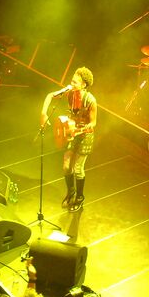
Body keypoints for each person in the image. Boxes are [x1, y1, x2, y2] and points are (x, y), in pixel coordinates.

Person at [40, 67, 97, 212]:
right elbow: (49, 96)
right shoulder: (69, 93)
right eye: (72, 80)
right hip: (71, 133)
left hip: (84, 135)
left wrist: (82, 129)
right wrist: (43, 113)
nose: (71, 84)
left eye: (75, 82)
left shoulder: (90, 100)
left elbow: (93, 123)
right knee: (66, 166)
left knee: (78, 169)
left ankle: (79, 198)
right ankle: (71, 192)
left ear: (84, 85)